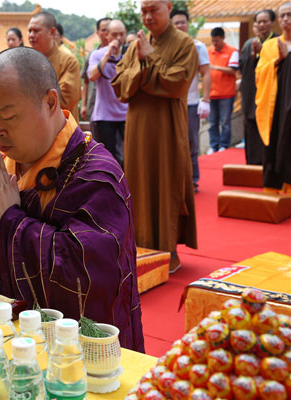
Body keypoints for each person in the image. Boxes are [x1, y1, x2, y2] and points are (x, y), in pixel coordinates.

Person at [0, 47, 144, 352]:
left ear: (51, 102)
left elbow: (91, 278)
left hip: (67, 354)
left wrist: (10, 219)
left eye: (8, 116)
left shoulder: (95, 175)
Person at [112, 0, 198, 272]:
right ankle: (140, 249)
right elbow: (120, 84)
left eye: (154, 10)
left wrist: (150, 60)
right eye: (144, 11)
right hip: (137, 128)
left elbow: (178, 83)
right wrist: (142, 65)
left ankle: (167, 250)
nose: (148, 17)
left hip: (166, 129)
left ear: (168, 8)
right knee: (138, 184)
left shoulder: (184, 44)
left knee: (165, 182)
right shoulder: (137, 43)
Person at [172, 9, 211, 192]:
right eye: (176, 23)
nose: (179, 26)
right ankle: (175, 180)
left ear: (188, 24)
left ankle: (192, 179)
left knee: (190, 142)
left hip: (191, 102)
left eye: (182, 22)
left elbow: (205, 73)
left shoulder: (198, 46)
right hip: (170, 103)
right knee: (171, 143)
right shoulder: (167, 46)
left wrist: (206, 100)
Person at [255, 2, 291, 195]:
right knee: (272, 142)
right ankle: (272, 189)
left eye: (289, 15)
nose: (285, 19)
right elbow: (259, 73)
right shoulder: (269, 46)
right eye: (282, 16)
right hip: (274, 104)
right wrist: (276, 62)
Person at [87, 20, 128, 166]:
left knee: (129, 157)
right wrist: (108, 54)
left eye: (121, 34)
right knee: (106, 159)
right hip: (104, 115)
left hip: (126, 113)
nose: (118, 38)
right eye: (114, 34)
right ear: (107, 35)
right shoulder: (97, 55)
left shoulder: (129, 54)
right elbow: (91, 76)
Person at [240, 9, 278, 165]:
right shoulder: (249, 44)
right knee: (252, 132)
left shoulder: (277, 42)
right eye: (259, 22)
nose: (262, 25)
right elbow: (244, 69)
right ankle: (253, 166)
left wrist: (262, 54)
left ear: (272, 23)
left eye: (265, 21)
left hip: (271, 95)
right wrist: (254, 55)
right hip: (252, 95)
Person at [28, 11, 81, 121]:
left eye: (36, 30)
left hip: (61, 130)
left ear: (52, 32)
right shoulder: (25, 62)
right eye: (29, 31)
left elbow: (65, 100)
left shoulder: (68, 61)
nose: (31, 35)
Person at [207, 27, 239, 154]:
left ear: (223, 38)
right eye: (213, 41)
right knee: (212, 122)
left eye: (217, 40)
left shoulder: (232, 51)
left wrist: (215, 67)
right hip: (211, 93)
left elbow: (233, 70)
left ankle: (224, 145)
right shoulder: (208, 51)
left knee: (225, 121)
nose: (215, 43)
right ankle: (214, 145)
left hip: (226, 93)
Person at [81, 17, 111, 123]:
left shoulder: (120, 54)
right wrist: (84, 105)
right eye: (103, 30)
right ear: (97, 32)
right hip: (94, 104)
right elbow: (86, 81)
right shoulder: (92, 55)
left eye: (109, 29)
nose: (107, 33)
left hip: (115, 107)